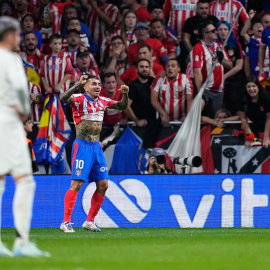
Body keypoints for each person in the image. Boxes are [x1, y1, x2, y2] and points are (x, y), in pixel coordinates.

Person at [0, 16, 49, 257]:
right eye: (17, 34)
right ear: (9, 36)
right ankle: (21, 241)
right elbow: (22, 94)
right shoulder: (10, 60)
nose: (19, 38)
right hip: (8, 124)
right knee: (25, 181)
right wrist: (25, 115)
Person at [59, 75, 129, 232]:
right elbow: (63, 98)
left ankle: (89, 221)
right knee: (76, 184)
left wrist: (125, 94)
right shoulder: (78, 98)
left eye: (99, 84)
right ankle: (66, 222)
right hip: (82, 146)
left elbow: (121, 106)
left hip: (96, 147)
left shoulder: (103, 101)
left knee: (103, 185)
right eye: (94, 84)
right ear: (86, 87)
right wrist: (77, 85)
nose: (98, 86)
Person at [191, 21, 232, 118]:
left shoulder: (219, 45)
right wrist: (199, 90)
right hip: (205, 89)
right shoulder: (198, 48)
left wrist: (222, 60)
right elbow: (197, 72)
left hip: (219, 90)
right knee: (200, 114)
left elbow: (230, 65)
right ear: (205, 34)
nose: (216, 32)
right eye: (213, 31)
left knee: (216, 117)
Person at [126, 59, 161, 147]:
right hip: (138, 128)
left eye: (147, 67)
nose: (144, 69)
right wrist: (137, 120)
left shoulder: (154, 82)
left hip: (154, 126)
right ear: (136, 70)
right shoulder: (133, 86)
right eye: (142, 67)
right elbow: (126, 106)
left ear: (150, 69)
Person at [151, 58, 194, 125]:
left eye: (173, 66)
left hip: (182, 120)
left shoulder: (185, 79)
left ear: (179, 69)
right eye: (168, 66)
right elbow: (153, 100)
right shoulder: (159, 79)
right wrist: (164, 114)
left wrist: (188, 117)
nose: (170, 68)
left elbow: (190, 101)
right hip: (163, 120)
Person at [216, 20, 244, 115]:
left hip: (234, 78)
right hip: (217, 77)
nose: (223, 32)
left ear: (229, 31)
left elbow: (239, 66)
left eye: (225, 29)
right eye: (220, 29)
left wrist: (224, 77)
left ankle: (234, 124)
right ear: (216, 31)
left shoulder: (236, 44)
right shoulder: (214, 45)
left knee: (233, 97)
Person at [238, 76, 270, 148]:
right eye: (248, 87)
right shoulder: (242, 99)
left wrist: (266, 137)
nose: (251, 89)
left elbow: (269, 119)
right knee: (250, 141)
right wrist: (250, 137)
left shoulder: (266, 97)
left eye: (253, 86)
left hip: (267, 124)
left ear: (258, 87)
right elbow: (243, 119)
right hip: (254, 125)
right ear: (245, 89)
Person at [241, 10, 269, 77]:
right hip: (256, 71)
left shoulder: (268, 38)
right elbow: (243, 33)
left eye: (260, 25)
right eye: (256, 26)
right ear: (251, 31)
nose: (259, 27)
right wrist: (250, 18)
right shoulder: (251, 40)